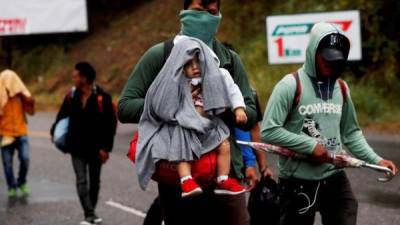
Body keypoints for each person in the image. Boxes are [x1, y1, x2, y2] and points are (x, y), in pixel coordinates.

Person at [118, 1, 257, 224]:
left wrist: (221, 105)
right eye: (198, 11)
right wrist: (174, 106)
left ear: (219, 16)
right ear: (183, 13)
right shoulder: (161, 55)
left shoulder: (229, 60)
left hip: (226, 174)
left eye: (211, 13)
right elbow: (125, 107)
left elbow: (249, 114)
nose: (205, 18)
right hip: (179, 176)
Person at [261, 22, 398, 225]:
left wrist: (376, 160)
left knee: (348, 211)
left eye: (336, 60)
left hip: (334, 177)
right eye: (325, 57)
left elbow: (351, 133)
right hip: (297, 182)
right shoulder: (290, 85)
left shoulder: (341, 88)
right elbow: (269, 131)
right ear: (313, 51)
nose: (330, 63)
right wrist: (310, 146)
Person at [136, 36, 247, 198]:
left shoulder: (219, 75)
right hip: (186, 126)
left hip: (210, 125)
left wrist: (239, 109)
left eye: (199, 61)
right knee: (181, 148)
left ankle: (223, 178)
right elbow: (164, 103)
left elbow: (233, 90)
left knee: (224, 144)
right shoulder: (177, 81)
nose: (195, 67)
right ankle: (186, 180)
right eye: (188, 64)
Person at [51, 62, 117, 225]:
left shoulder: (103, 97)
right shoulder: (71, 96)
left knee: (95, 182)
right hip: (76, 147)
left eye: (75, 76)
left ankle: (91, 213)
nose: (73, 78)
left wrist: (105, 148)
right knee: (81, 180)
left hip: (96, 149)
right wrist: (54, 133)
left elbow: (110, 125)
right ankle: (89, 214)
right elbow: (61, 117)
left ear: (84, 78)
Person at [0, 69, 35, 198]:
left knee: (25, 159)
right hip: (5, 134)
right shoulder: (0, 97)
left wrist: (29, 100)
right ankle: (11, 186)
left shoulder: (21, 96)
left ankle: (21, 182)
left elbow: (31, 112)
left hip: (21, 133)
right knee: (7, 164)